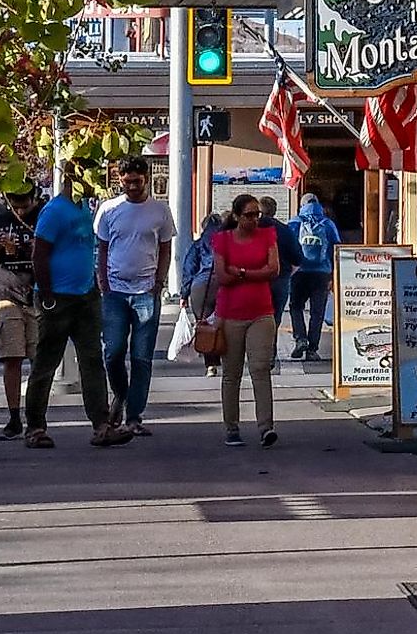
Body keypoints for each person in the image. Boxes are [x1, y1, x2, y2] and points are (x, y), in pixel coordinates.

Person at [27, 166, 128, 448]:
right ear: (74, 177)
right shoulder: (55, 211)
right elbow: (39, 254)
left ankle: (101, 424)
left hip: (86, 296)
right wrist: (46, 294)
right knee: (46, 362)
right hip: (57, 297)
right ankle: (35, 427)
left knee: (92, 360)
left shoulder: (85, 208)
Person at [95, 156, 174, 438]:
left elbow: (165, 248)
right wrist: (102, 281)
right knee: (113, 351)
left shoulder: (160, 211)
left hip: (146, 292)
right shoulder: (108, 210)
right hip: (115, 292)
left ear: (147, 178)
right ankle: (120, 392)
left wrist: (159, 282)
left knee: (141, 357)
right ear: (120, 179)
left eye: (137, 182)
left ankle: (134, 416)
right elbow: (102, 248)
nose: (132, 186)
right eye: (126, 181)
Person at [208, 195, 281, 446]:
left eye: (257, 214)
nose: (254, 219)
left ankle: (266, 427)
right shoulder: (223, 240)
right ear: (237, 216)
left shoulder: (267, 235)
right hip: (230, 314)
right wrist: (253, 274)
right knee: (232, 373)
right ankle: (232, 427)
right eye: (249, 215)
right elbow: (222, 276)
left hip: (261, 312)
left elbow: (274, 269)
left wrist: (241, 272)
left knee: (260, 369)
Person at [0, 185, 43, 438]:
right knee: (12, 356)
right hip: (7, 295)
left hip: (36, 294)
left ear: (34, 199)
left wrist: (33, 248)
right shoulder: (0, 220)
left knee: (38, 358)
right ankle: (14, 417)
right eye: (15, 205)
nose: (20, 211)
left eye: (24, 205)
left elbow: (52, 252)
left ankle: (36, 417)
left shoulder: (42, 217)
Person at [288, 190, 341, 361]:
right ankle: (312, 349)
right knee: (317, 312)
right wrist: (333, 273)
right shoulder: (328, 224)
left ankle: (300, 338)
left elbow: (287, 246)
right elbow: (336, 248)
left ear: (302, 206)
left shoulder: (295, 222)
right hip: (321, 273)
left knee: (296, 307)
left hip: (299, 272)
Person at [181, 211, 226, 376]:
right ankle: (227, 358)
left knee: (205, 325)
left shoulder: (198, 244)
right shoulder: (228, 243)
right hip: (224, 285)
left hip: (201, 287)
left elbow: (189, 269)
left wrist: (184, 294)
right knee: (226, 324)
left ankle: (211, 365)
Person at [262, 196, 303, 355]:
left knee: (257, 318)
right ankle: (270, 353)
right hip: (280, 279)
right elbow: (298, 257)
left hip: (257, 279)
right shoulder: (284, 230)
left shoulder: (252, 229)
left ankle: (261, 353)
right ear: (275, 210)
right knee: (275, 318)